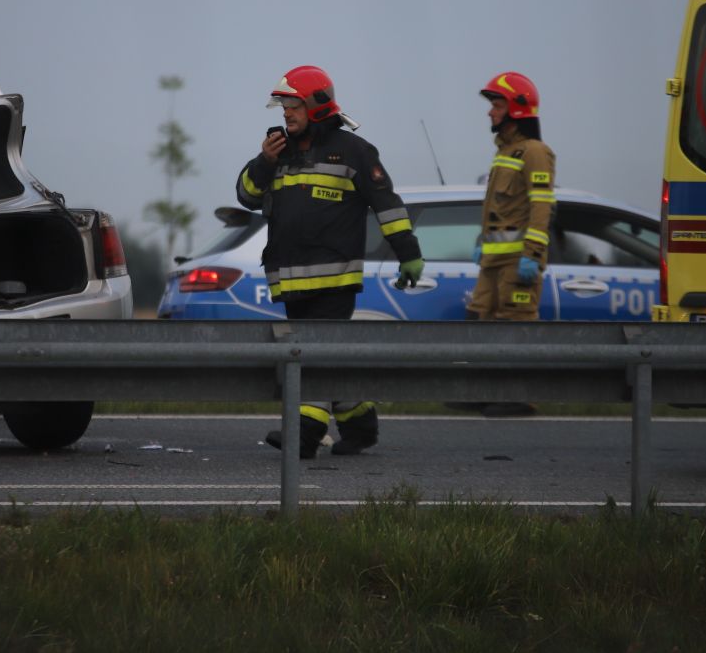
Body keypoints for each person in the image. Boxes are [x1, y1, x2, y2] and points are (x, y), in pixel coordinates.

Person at [236, 65, 424, 458]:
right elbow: (247, 196)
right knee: (324, 355)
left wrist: (408, 253)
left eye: (293, 105)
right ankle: (359, 425)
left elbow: (386, 203)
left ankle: (302, 436)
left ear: (317, 106)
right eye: (283, 107)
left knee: (312, 356)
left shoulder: (354, 151)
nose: (286, 114)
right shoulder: (278, 152)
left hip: (335, 279)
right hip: (290, 282)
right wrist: (263, 162)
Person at [466, 71, 557, 417]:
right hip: (493, 262)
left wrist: (532, 254)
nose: (490, 112)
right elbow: (498, 209)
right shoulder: (507, 151)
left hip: (518, 262)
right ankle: (484, 392)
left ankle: (521, 395)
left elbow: (541, 205)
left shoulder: (534, 152)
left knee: (516, 325)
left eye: (497, 105)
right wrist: (481, 241)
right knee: (482, 322)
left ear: (517, 108)